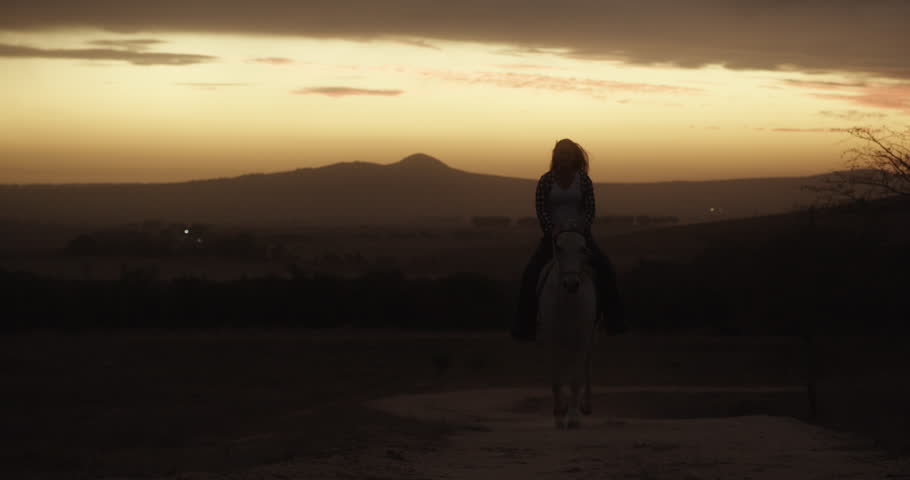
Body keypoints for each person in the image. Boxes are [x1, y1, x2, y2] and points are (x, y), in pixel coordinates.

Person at [511, 138, 626, 341]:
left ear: (574, 156)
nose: (563, 156)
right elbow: (542, 209)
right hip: (553, 237)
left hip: (580, 236)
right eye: (560, 153)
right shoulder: (546, 180)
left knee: (606, 268)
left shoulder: (583, 180)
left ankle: (614, 322)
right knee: (531, 272)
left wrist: (582, 228)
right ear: (555, 156)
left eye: (567, 153)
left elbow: (590, 209)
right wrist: (551, 230)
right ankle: (525, 327)